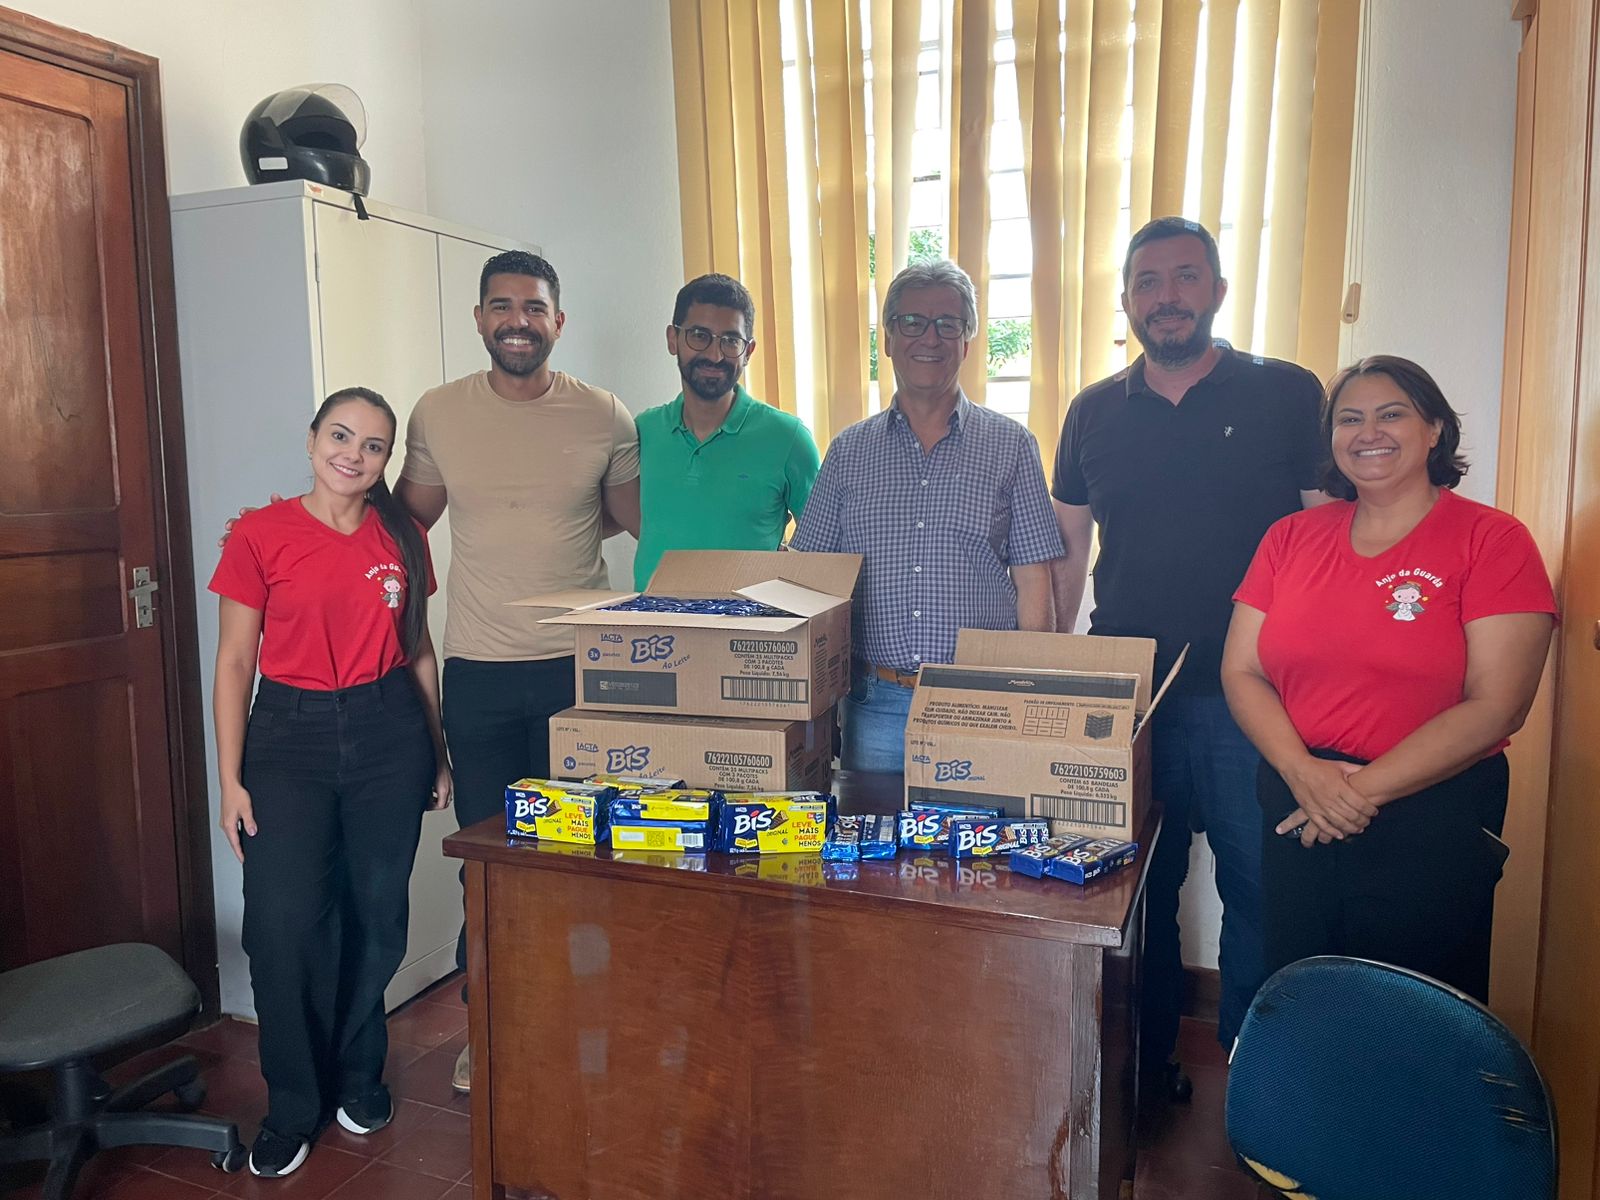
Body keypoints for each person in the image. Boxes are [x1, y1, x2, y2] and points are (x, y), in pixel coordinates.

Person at [1051, 217, 1326, 1098]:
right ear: (1126, 300)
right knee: (1135, 893)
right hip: (1132, 699)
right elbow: (1066, 556)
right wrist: (1054, 677)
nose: (1165, 297)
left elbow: (1327, 538)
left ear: (1217, 291)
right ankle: (1147, 1073)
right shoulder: (1092, 411)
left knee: (1261, 895)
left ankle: (1258, 1086)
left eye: (1184, 277)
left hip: (1259, 701)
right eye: (1147, 282)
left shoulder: (1288, 393)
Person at [1222, 355, 1555, 1002]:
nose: (1368, 432)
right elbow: (1242, 670)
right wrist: (1303, 772)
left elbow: (1498, 706)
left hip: (1430, 811)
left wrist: (1352, 795)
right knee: (1302, 999)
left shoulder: (1493, 540)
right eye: (1349, 419)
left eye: (1391, 414)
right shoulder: (1289, 537)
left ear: (1434, 430)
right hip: (1296, 798)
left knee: (1414, 1015)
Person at [393, 251, 640, 1092]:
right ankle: (491, 1030)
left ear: (557, 322)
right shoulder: (439, 413)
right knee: (490, 865)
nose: (517, 322)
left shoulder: (603, 414)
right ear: (480, 319)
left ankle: (579, 1024)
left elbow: (631, 518)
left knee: (579, 856)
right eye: (501, 306)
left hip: (580, 675)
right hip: (480, 673)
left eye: (533, 308)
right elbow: (405, 523)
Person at [211, 387, 451, 1178]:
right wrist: (230, 780)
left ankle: (358, 1074)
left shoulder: (404, 536)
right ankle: (292, 1102)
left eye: (373, 445)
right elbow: (235, 662)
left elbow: (418, 651)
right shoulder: (260, 533)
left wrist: (437, 751)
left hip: (389, 733)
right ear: (313, 440)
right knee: (283, 924)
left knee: (374, 914)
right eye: (341, 436)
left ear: (386, 460)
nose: (354, 454)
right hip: (289, 737)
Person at [790, 259, 1062, 771]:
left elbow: (1033, 581)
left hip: (982, 701)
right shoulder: (848, 451)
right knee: (874, 826)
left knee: (984, 826)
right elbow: (810, 581)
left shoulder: (1012, 446)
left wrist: (1031, 692)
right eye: (912, 322)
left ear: (967, 341)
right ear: (888, 339)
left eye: (948, 324)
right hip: (875, 704)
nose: (930, 338)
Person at [631, 273, 821, 588]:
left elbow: (821, 550)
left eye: (731, 340)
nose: (714, 355)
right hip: (650, 620)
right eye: (699, 336)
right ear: (672, 339)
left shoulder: (789, 438)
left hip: (749, 620)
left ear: (749, 351)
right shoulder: (643, 432)